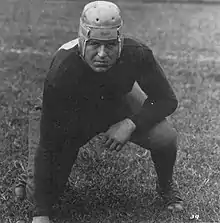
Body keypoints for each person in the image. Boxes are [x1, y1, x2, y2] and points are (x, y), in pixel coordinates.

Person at [15, 1, 184, 222]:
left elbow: (167, 100)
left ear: (120, 41)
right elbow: (49, 144)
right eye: (94, 44)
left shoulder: (136, 53)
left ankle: (166, 188)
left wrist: (130, 123)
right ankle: (28, 177)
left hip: (117, 101)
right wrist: (41, 214)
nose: (102, 53)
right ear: (82, 42)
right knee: (41, 192)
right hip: (72, 112)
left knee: (165, 138)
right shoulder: (63, 70)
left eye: (111, 45)